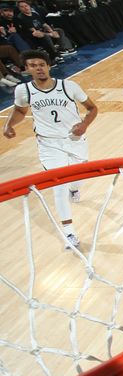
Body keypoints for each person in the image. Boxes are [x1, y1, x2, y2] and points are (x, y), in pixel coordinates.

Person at [3, 50, 98, 249]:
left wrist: (84, 125)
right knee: (58, 186)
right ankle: (69, 232)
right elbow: (20, 111)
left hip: (74, 139)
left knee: (78, 177)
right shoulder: (24, 90)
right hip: (49, 144)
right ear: (26, 69)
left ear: (48, 66)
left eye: (41, 64)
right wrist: (9, 125)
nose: (38, 68)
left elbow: (92, 108)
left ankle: (75, 188)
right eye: (33, 65)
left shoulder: (68, 86)